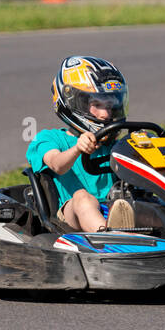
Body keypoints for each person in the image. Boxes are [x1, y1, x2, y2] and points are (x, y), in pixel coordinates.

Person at [26, 56, 133, 233]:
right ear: (73, 103)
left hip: (114, 205)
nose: (105, 113)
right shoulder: (47, 138)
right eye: (97, 104)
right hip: (68, 215)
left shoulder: (114, 144)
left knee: (147, 199)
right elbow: (56, 164)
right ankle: (109, 238)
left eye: (110, 105)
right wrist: (77, 148)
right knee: (83, 198)